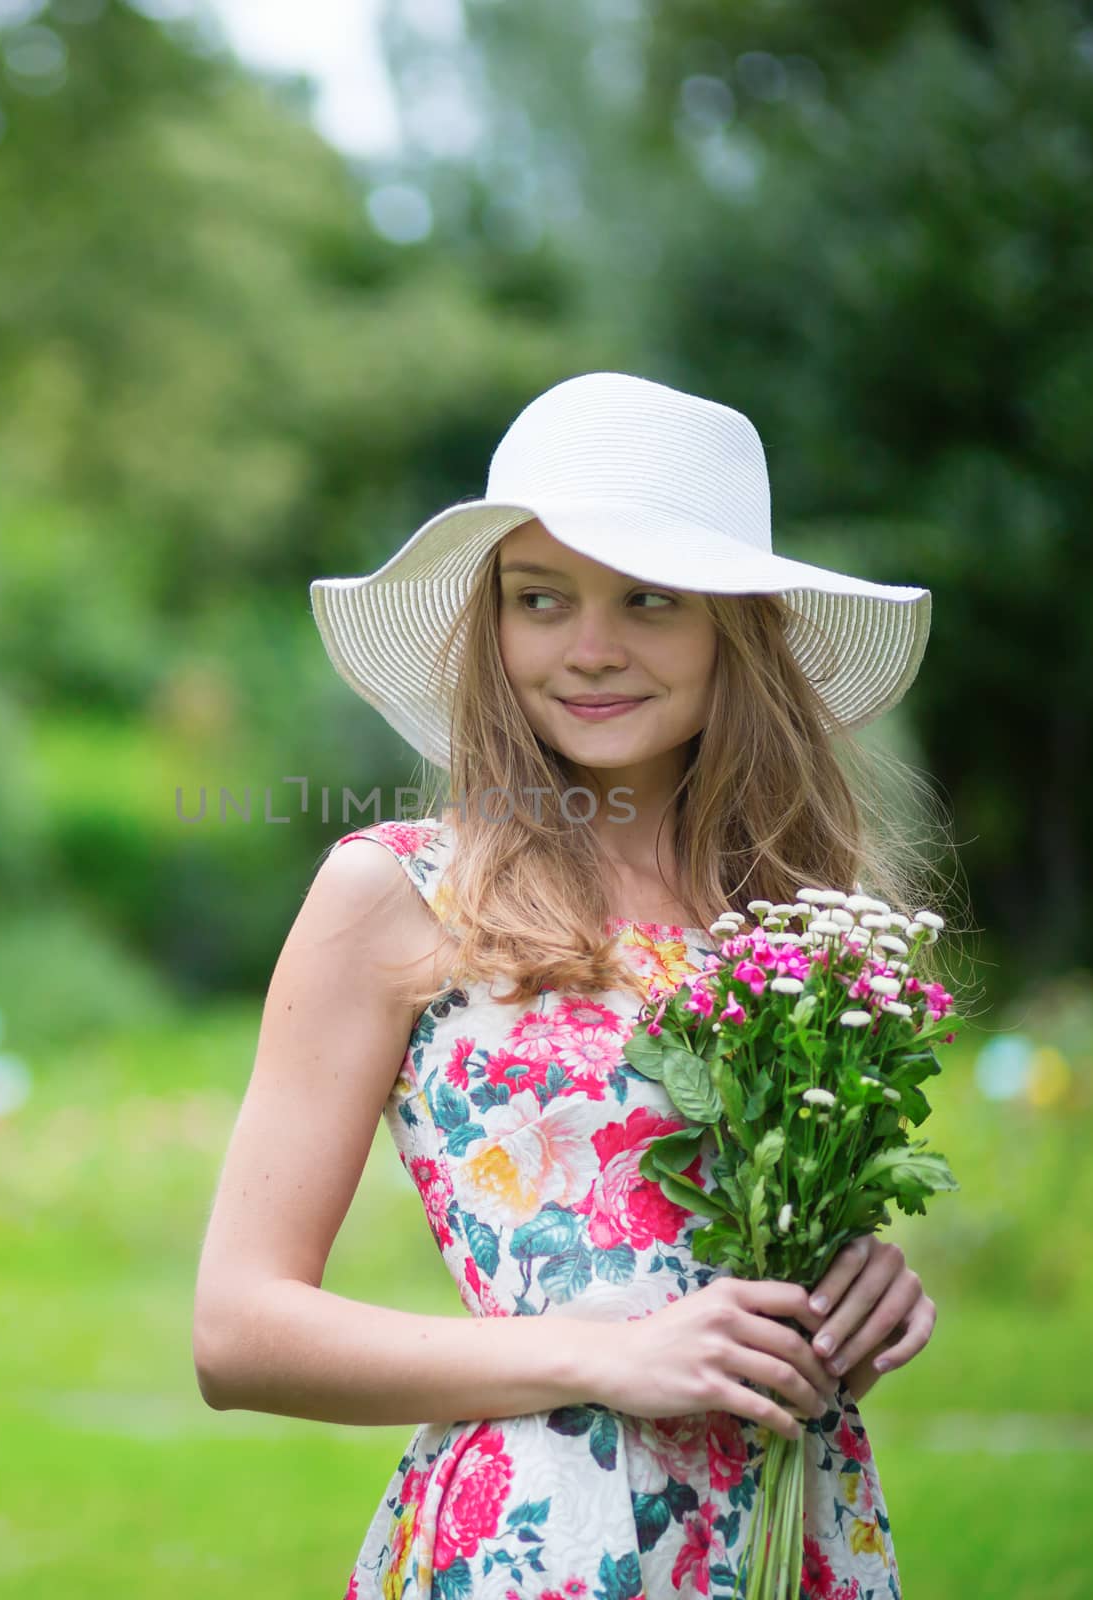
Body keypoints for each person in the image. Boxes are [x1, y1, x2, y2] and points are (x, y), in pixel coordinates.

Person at [193, 373, 951, 1599]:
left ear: (733, 628)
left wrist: (854, 1290)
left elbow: (738, 1258)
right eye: (539, 599)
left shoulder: (786, 921)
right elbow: (236, 1332)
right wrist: (609, 1355)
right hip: (542, 1536)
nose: (588, 647)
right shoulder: (400, 894)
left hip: (789, 1524)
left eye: (647, 599)